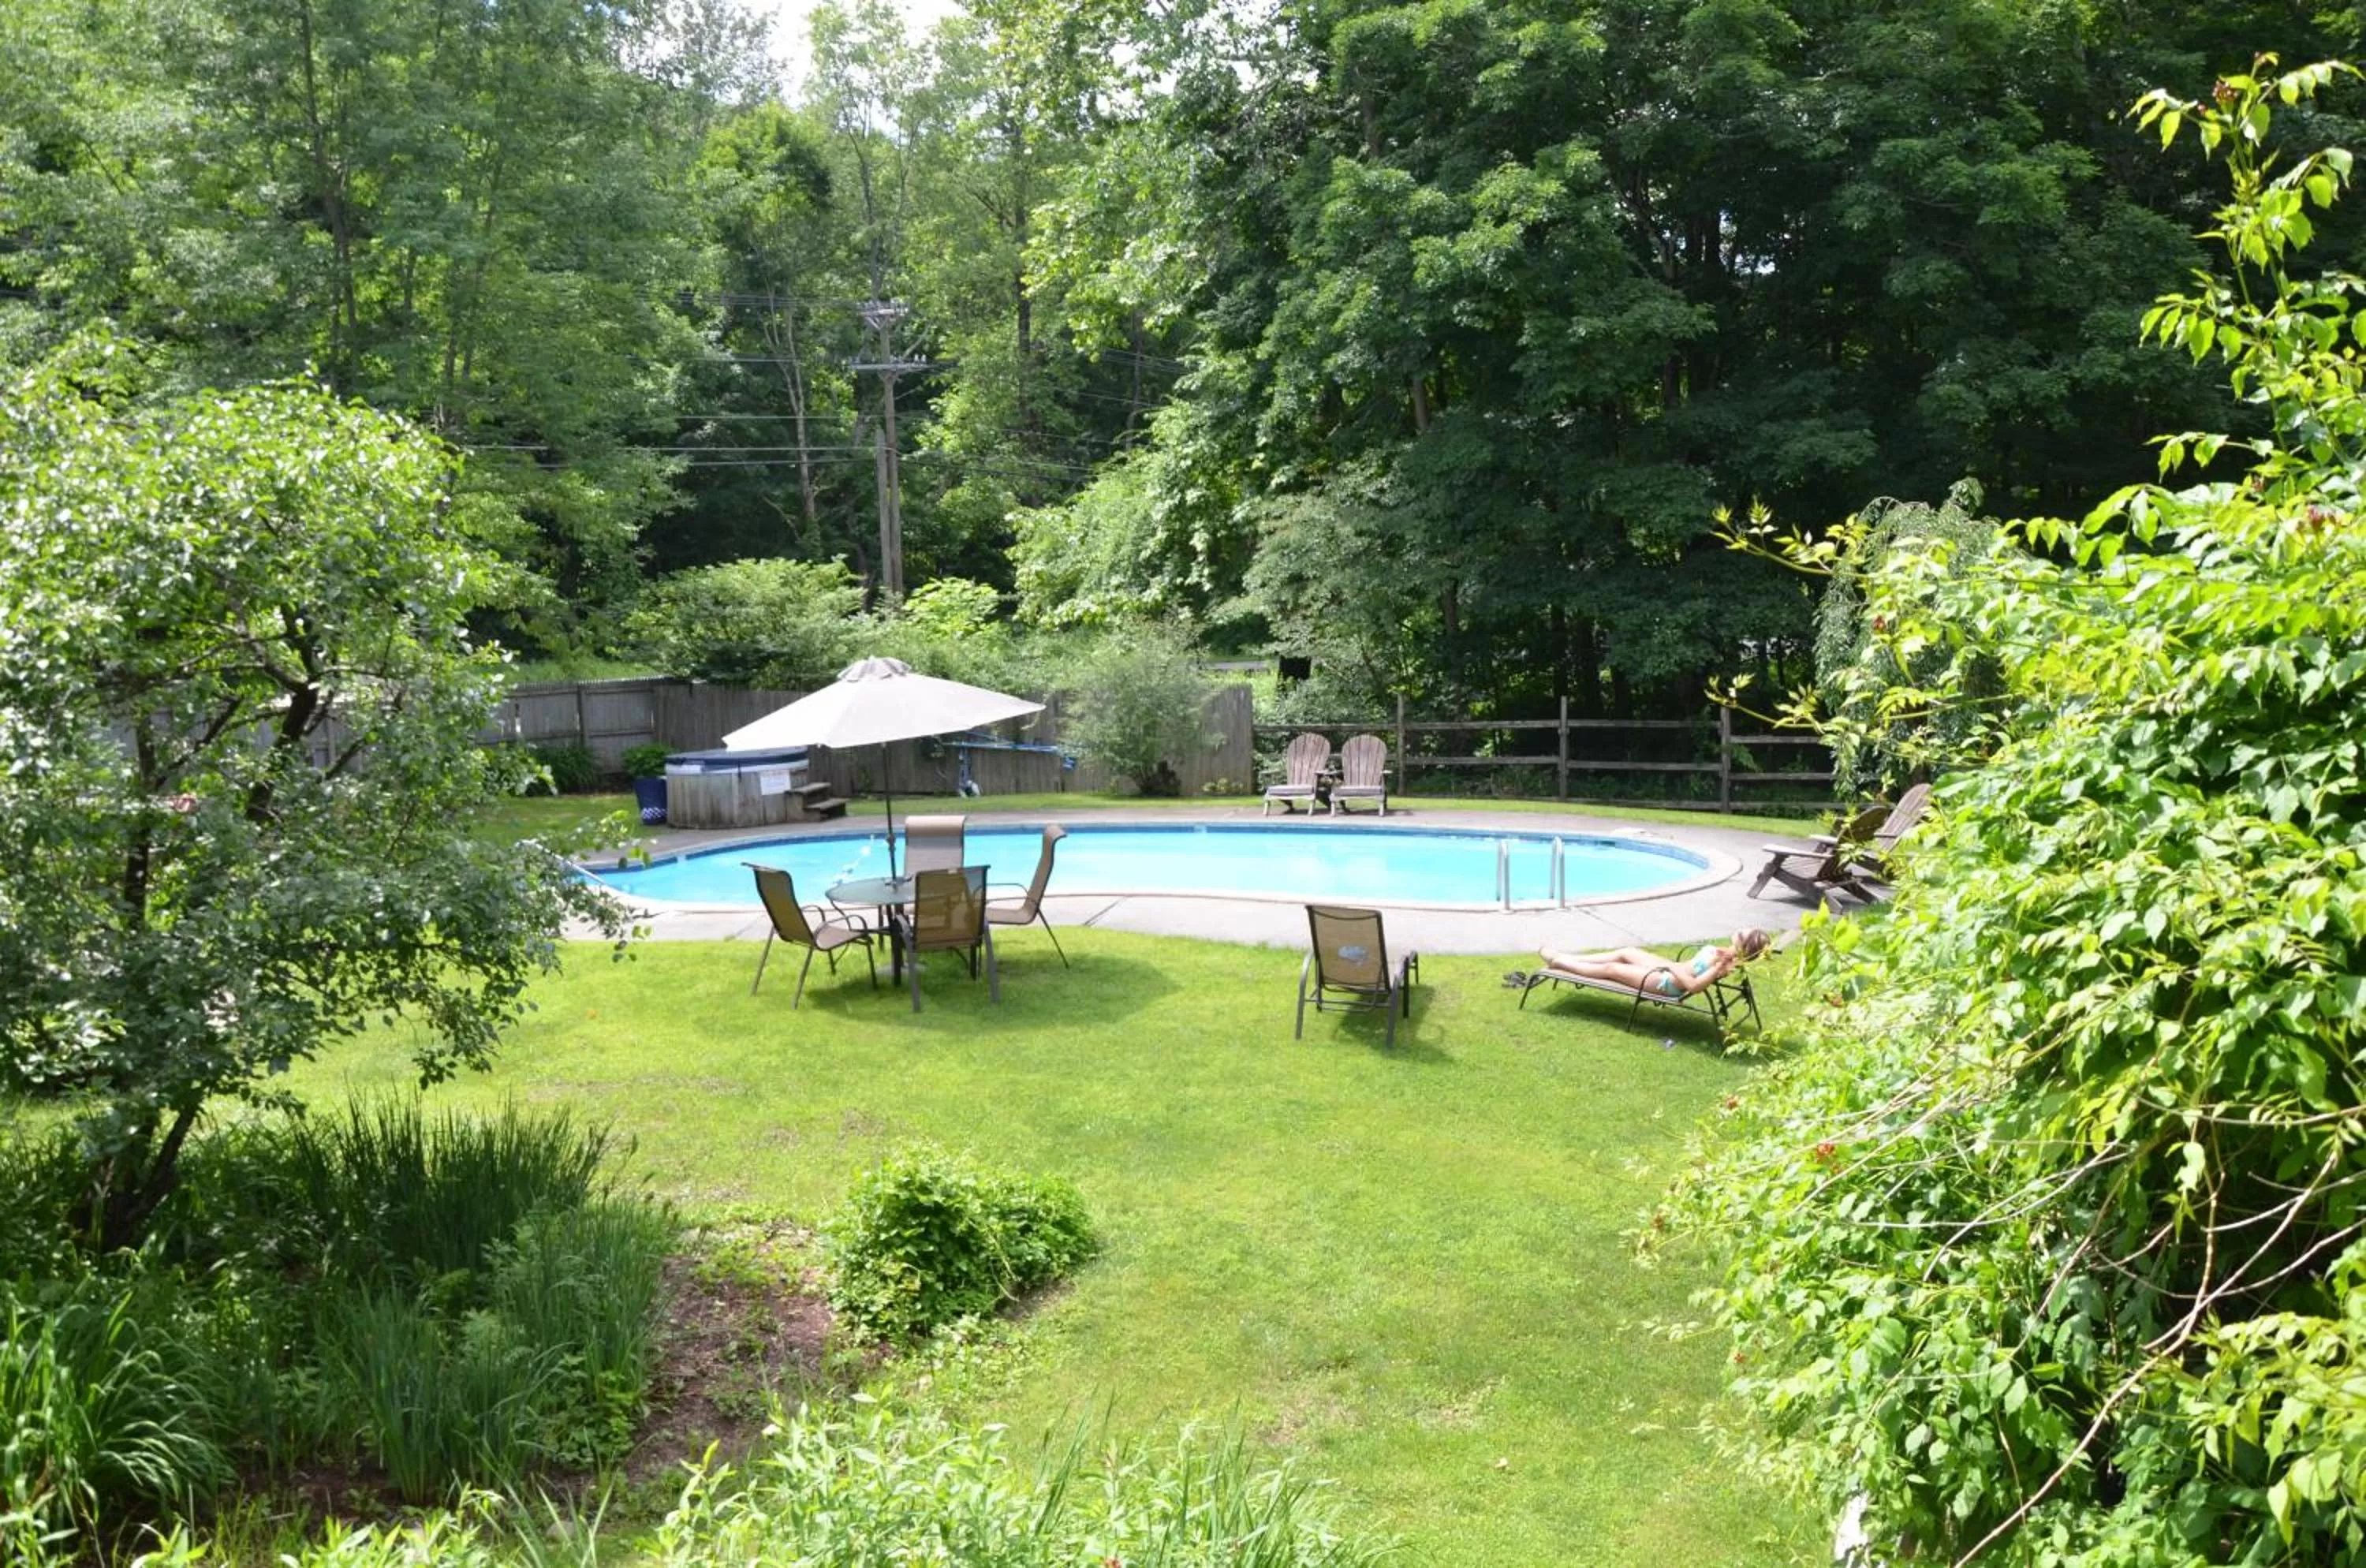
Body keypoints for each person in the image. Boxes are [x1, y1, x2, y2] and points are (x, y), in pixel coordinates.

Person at [1537, 928, 1771, 999]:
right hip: (1669, 968)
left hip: (1666, 983)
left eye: (1744, 932)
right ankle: (1570, 957)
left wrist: (1672, 969)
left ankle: (1559, 962)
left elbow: (1694, 986)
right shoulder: (1725, 954)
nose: (1741, 929)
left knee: (1612, 969)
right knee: (1627, 952)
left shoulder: (1721, 965)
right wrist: (1673, 966)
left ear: (1743, 945)